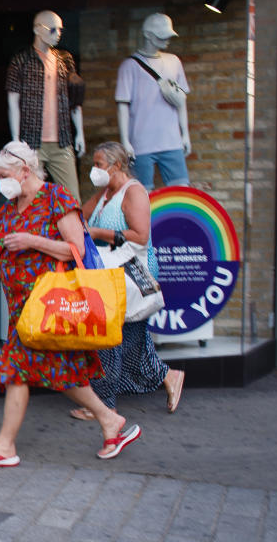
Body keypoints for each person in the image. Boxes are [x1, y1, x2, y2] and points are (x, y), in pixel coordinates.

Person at [0, 140, 141, 467]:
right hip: (22, 310)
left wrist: (32, 241)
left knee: (17, 370)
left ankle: (4, 446)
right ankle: (110, 421)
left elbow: (77, 250)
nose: (2, 182)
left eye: (5, 175)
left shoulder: (57, 198)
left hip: (48, 305)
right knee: (60, 372)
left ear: (25, 171)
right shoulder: (9, 208)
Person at [69, 141, 185, 420]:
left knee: (105, 337)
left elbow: (141, 236)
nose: (94, 170)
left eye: (98, 164)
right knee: (130, 342)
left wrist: (98, 232)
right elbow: (78, 218)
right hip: (110, 274)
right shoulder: (104, 193)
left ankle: (104, 405)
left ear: (116, 165)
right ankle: (168, 376)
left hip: (131, 274)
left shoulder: (133, 192)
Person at [6, 10, 86, 202]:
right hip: (31, 143)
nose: (57, 34)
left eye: (60, 29)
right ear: (37, 29)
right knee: (28, 197)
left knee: (71, 198)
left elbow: (74, 98)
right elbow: (12, 102)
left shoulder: (64, 60)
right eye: (52, 29)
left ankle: (72, 232)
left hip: (62, 140)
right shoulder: (21, 61)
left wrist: (80, 132)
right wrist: (16, 140)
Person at [115, 13, 192, 190]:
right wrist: (125, 141)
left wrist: (185, 134)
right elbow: (122, 106)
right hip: (141, 143)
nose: (167, 40)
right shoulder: (129, 66)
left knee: (182, 192)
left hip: (172, 141)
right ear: (148, 35)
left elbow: (181, 101)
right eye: (162, 36)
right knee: (142, 195)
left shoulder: (174, 61)